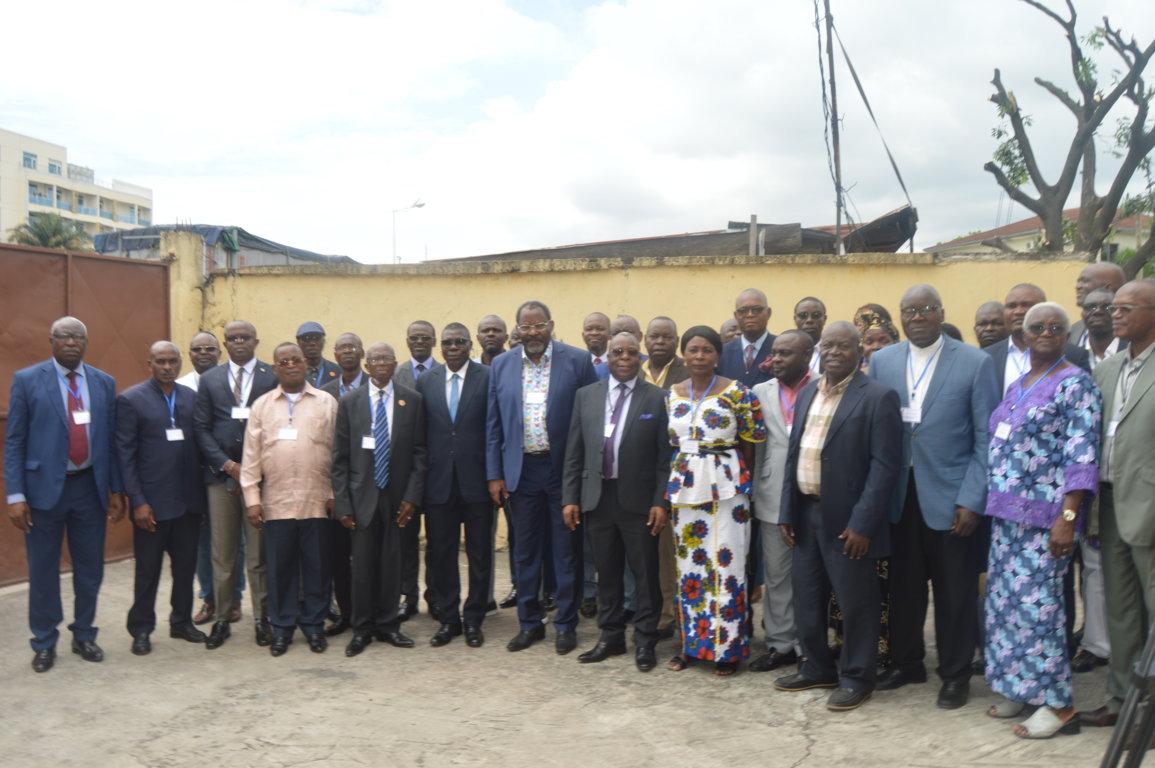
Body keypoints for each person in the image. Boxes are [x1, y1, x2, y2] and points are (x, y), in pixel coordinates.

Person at [869, 285, 1000, 709]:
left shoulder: (975, 363)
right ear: (901, 316)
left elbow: (986, 439)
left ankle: (955, 674)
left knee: (954, 593)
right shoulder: (883, 361)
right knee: (904, 589)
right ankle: (907, 663)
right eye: (909, 310)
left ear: (941, 313)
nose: (917, 316)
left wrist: (972, 499)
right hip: (899, 498)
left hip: (952, 498)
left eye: (926, 309)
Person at [982, 301, 1100, 738]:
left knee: (1041, 611)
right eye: (1038, 327)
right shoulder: (1019, 383)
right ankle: (1020, 686)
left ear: (1066, 336)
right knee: (1005, 607)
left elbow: (1081, 456)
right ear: (1024, 335)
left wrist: (1067, 518)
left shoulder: (1076, 384)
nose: (1046, 333)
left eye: (1055, 327)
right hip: (1006, 518)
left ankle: (1058, 705)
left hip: (1047, 521)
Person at [773, 321, 901, 711]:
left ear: (859, 351)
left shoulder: (878, 397)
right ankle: (817, 667)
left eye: (842, 346)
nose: (832, 352)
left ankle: (857, 677)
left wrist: (863, 524)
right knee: (807, 597)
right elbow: (794, 455)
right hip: (806, 513)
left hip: (848, 522)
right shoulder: (809, 392)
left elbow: (884, 467)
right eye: (827, 346)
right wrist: (786, 510)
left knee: (856, 602)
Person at [5, 316, 126, 673]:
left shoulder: (104, 383)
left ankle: (84, 634)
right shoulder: (27, 380)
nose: (71, 342)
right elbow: (14, 441)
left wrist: (116, 488)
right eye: (64, 336)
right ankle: (44, 641)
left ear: (86, 343)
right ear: (51, 341)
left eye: (78, 337)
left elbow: (111, 441)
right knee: (43, 571)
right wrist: (15, 495)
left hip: (90, 488)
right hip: (43, 492)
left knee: (90, 569)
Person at [487, 300, 597, 655]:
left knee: (565, 551)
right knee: (525, 552)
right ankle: (529, 623)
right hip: (520, 471)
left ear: (550, 325)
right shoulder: (501, 365)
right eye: (526, 327)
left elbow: (591, 416)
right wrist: (494, 474)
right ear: (517, 330)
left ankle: (565, 624)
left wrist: (583, 474)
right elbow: (493, 425)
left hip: (562, 470)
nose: (533, 333)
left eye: (539, 326)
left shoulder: (577, 360)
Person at [562, 332, 670, 671]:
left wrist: (660, 501)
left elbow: (664, 457)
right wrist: (570, 498)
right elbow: (574, 451)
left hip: (639, 501)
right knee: (606, 572)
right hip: (598, 497)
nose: (624, 357)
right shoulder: (586, 396)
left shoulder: (657, 398)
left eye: (631, 352)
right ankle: (610, 636)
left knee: (645, 574)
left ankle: (645, 639)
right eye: (617, 352)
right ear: (607, 357)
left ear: (640, 357)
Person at [665, 325, 767, 676]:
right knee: (689, 568)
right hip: (686, 489)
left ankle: (727, 650)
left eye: (706, 350)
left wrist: (740, 481)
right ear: (684, 355)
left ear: (717, 356)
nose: (699, 356)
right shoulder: (672, 395)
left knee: (727, 567)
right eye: (692, 350)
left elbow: (751, 444)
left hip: (727, 491)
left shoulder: (739, 393)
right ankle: (691, 646)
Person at [1083, 279, 1155, 730]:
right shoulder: (1108, 370)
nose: (1116, 314)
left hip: (1150, 506)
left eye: (1127, 308)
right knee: (1121, 610)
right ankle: (1121, 698)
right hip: (1109, 505)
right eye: (1115, 308)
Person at [241, 343, 338, 656]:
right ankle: (282, 628)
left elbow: (337, 453)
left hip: (317, 501)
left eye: (296, 360)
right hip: (277, 503)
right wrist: (252, 498)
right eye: (284, 361)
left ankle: (314, 625)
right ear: (275, 369)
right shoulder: (262, 406)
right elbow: (251, 456)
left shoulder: (326, 402)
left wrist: (334, 494)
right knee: (280, 569)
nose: (291, 365)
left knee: (317, 568)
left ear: (306, 365)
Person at [332, 342, 426, 657]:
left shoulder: (412, 400)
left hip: (398, 498)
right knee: (362, 566)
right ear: (367, 365)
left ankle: (388, 625)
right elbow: (340, 459)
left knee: (392, 564)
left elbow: (420, 454)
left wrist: (412, 497)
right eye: (375, 359)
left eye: (387, 358)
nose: (381, 363)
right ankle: (361, 629)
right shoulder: (350, 402)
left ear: (395, 364)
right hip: (361, 498)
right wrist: (343, 504)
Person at [116, 341, 208, 656]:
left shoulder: (191, 398)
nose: (167, 367)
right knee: (148, 571)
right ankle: (141, 629)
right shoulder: (131, 400)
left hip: (188, 504)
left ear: (180, 363)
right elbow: (125, 456)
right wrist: (137, 501)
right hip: (151, 505)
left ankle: (181, 622)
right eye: (160, 361)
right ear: (150, 364)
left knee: (185, 569)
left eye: (172, 361)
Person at [193, 320, 277, 650]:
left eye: (245, 337)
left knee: (258, 554)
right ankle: (223, 618)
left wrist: (253, 469)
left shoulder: (271, 376)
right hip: (220, 477)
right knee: (223, 553)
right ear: (225, 344)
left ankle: (262, 619)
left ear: (256, 341)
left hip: (261, 479)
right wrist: (227, 465)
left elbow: (276, 426)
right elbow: (201, 428)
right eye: (232, 338)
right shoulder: (210, 379)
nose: (239, 342)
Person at [417, 324, 494, 648]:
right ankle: (449, 619)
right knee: (442, 554)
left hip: (478, 483)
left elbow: (494, 429)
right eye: (447, 342)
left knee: (480, 554)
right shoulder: (426, 381)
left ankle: (474, 618)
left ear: (469, 344)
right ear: (440, 346)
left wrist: (494, 476)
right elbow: (421, 435)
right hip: (438, 484)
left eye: (459, 342)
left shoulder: (486, 377)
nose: (452, 347)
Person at [749, 330, 814, 672]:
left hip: (813, 492)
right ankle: (780, 643)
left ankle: (810, 645)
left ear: (807, 356)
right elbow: (755, 446)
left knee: (811, 576)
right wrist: (752, 489)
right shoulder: (760, 392)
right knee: (776, 575)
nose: (776, 359)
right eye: (775, 353)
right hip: (772, 492)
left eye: (786, 353)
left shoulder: (823, 387)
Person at [1069, 288, 1124, 673]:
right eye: (1091, 306)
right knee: (1091, 565)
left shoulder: (1134, 350)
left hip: (1125, 475)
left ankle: (1126, 646)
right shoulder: (1072, 350)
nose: (1099, 312)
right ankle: (1096, 643)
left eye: (1109, 306)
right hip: (1083, 476)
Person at [176, 331, 245, 628]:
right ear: (189, 353)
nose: (204, 353)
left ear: (220, 352)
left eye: (210, 349)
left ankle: (234, 598)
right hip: (194, 474)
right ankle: (209, 597)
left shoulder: (232, 382)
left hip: (227, 471)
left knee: (235, 540)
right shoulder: (179, 386)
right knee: (203, 540)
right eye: (197, 349)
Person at [642, 315, 689, 639]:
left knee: (672, 551)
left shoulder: (688, 372)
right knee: (651, 551)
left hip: (679, 472)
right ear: (645, 340)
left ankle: (671, 616)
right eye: (654, 336)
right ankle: (653, 611)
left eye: (666, 337)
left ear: (676, 341)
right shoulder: (636, 368)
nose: (659, 342)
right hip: (640, 473)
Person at [318, 332, 367, 637]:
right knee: (338, 555)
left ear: (362, 352)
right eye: (342, 348)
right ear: (334, 355)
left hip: (370, 483)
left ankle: (371, 612)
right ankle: (346, 613)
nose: (347, 351)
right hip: (336, 483)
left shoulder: (376, 386)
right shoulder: (324, 393)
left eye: (353, 347)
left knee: (368, 555)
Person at [393, 319, 438, 620]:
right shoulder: (396, 374)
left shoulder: (445, 372)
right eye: (414, 337)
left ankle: (434, 596)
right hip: (406, 473)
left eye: (425, 337)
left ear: (433, 341)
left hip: (438, 472)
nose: (419, 342)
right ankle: (408, 597)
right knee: (405, 541)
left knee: (437, 541)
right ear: (407, 341)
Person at [985, 284, 1090, 394]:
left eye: (1026, 305)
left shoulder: (1075, 355)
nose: (1018, 311)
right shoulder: (988, 357)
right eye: (1012, 306)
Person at [720, 289, 776, 388]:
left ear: (768, 313)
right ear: (736, 316)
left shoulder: (781, 349)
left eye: (757, 310)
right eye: (743, 311)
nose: (750, 315)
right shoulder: (723, 353)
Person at [1070, 261, 1127, 342]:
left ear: (1107, 288)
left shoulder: (1133, 332)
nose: (1077, 286)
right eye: (1078, 281)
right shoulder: (1073, 331)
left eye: (1085, 281)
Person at [1081, 288, 1124, 369]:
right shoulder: (1072, 355)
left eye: (1107, 307)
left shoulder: (1132, 351)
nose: (1098, 311)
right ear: (1082, 314)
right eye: (1090, 307)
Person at [296, 321, 340, 389]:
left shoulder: (338, 371)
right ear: (298, 342)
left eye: (317, 338)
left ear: (324, 341)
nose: (312, 343)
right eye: (306, 339)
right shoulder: (293, 371)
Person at [794, 297, 827, 374]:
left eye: (816, 315)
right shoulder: (784, 350)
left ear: (824, 319)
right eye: (803, 315)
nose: (809, 320)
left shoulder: (831, 351)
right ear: (795, 319)